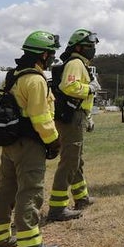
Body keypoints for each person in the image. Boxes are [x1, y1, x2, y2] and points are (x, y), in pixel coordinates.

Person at [0, 31, 64, 247]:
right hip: (30, 143)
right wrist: (53, 141)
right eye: (51, 53)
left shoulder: (12, 76)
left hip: (10, 142)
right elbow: (40, 117)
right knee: (30, 191)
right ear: (43, 54)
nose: (52, 57)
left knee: (6, 189)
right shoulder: (36, 80)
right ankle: (30, 246)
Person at [48, 29, 99, 222]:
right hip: (72, 118)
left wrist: (88, 116)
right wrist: (90, 88)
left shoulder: (80, 63)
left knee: (76, 159)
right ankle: (57, 207)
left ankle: (81, 197)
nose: (93, 49)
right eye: (89, 46)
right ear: (78, 47)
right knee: (70, 161)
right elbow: (69, 87)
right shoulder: (76, 63)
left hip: (77, 116)